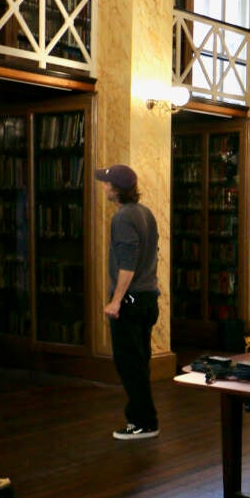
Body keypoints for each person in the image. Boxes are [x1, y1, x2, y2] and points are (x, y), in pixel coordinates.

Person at [96, 164, 161, 440]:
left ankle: (143, 422)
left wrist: (116, 301)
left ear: (116, 189)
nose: (103, 186)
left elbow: (127, 264)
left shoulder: (123, 217)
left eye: (106, 183)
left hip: (131, 300)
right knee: (140, 360)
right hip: (148, 298)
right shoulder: (144, 213)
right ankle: (145, 418)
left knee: (128, 363)